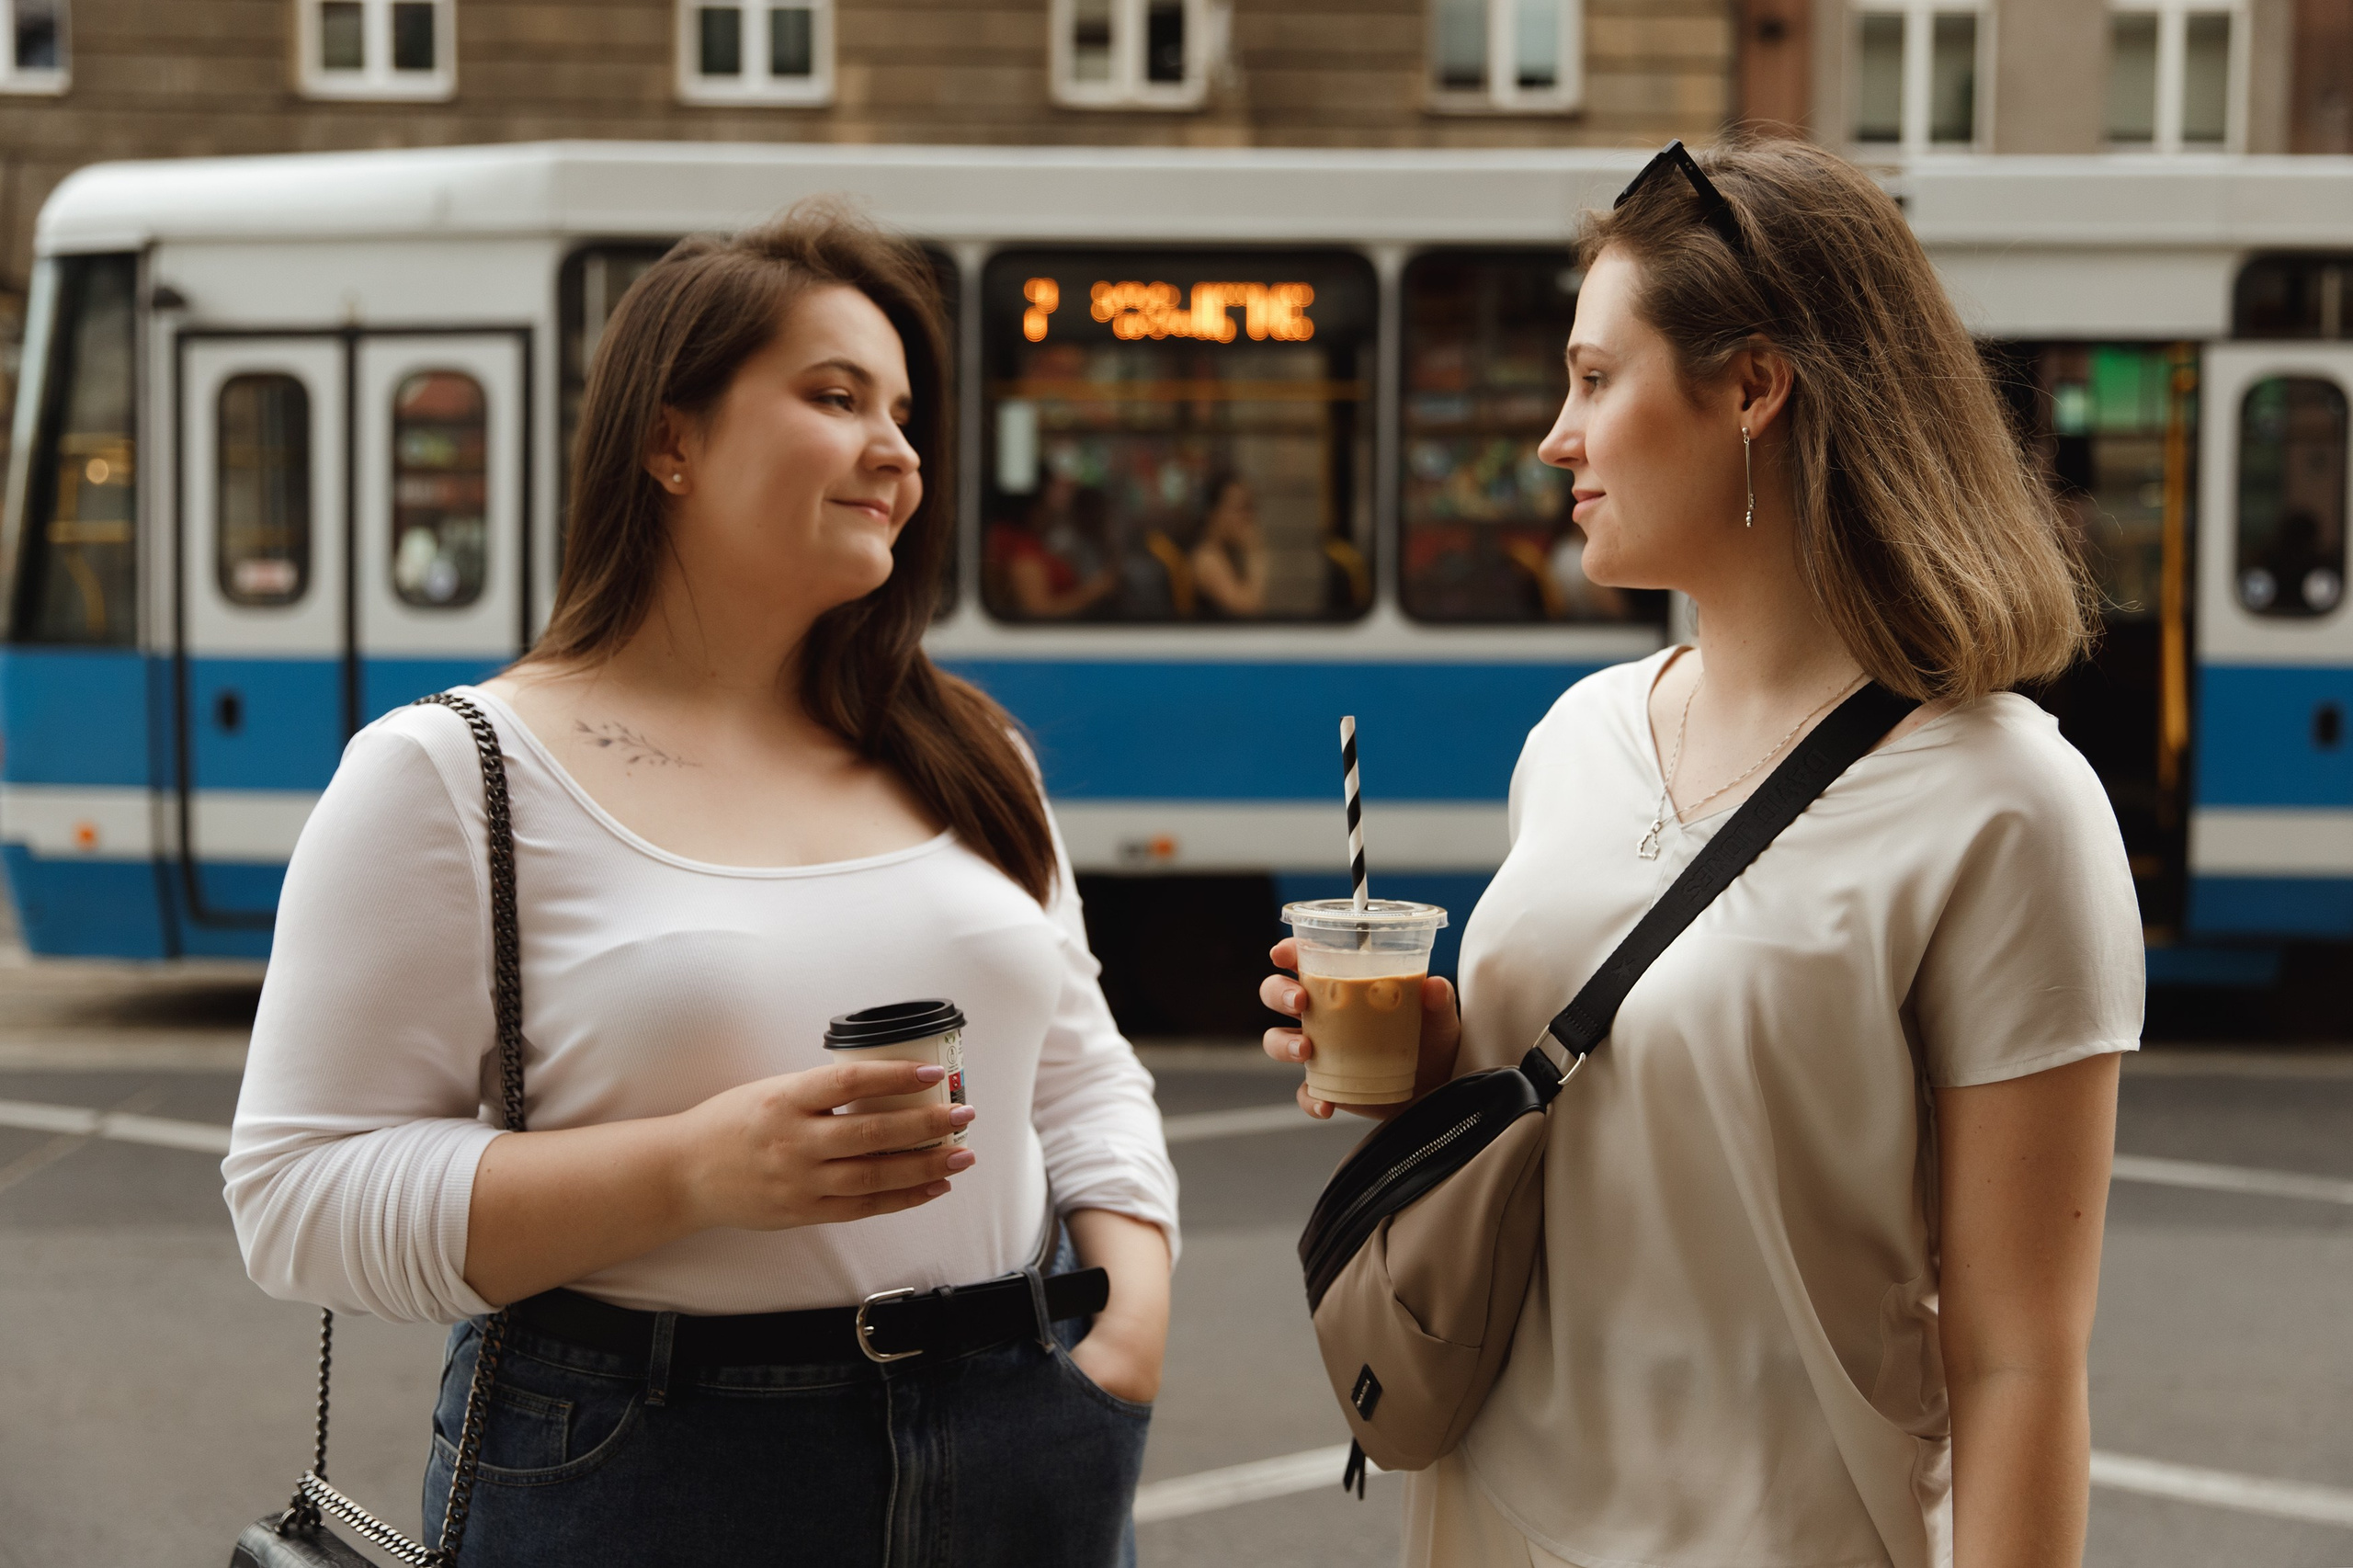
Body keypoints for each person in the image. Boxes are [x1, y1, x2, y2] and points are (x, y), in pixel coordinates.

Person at [225, 207, 1177, 1568]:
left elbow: (1081, 1074)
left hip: (1028, 1438)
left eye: (906, 412)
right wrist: (697, 1169)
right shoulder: (452, 771)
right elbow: (297, 1196)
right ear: (668, 440)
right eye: (836, 395)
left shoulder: (973, 751)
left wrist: (1127, 1315)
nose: (897, 450)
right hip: (655, 1470)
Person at [1260, 139, 2139, 1568]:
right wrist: (1436, 1075)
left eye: (1597, 379)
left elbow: (2020, 1363)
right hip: (1491, 1523)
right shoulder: (1578, 734)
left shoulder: (2010, 806)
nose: (1556, 436)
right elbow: (1597, 1107)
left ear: (1752, 386)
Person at [1190, 473, 1271, 618]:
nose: (1247, 518)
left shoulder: (1229, 554)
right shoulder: (1207, 558)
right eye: (1239, 509)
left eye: (1250, 509)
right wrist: (1256, 553)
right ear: (1215, 513)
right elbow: (1247, 609)